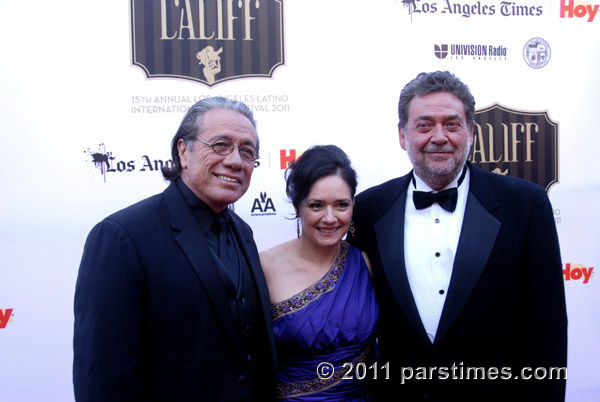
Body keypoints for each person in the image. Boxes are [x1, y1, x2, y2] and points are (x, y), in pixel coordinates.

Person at [348, 71, 567, 401]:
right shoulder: (367, 208)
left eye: (452, 124)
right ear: (402, 135)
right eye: (424, 125)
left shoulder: (526, 204)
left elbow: (547, 331)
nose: (439, 137)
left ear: (471, 133)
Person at [73, 97, 276, 401]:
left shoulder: (243, 232)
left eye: (247, 151)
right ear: (183, 150)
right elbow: (103, 379)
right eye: (221, 145)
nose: (236, 161)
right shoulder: (123, 236)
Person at [260, 145, 379, 401]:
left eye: (341, 205)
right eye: (316, 205)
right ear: (297, 206)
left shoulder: (367, 264)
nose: (329, 218)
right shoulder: (264, 267)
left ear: (353, 206)